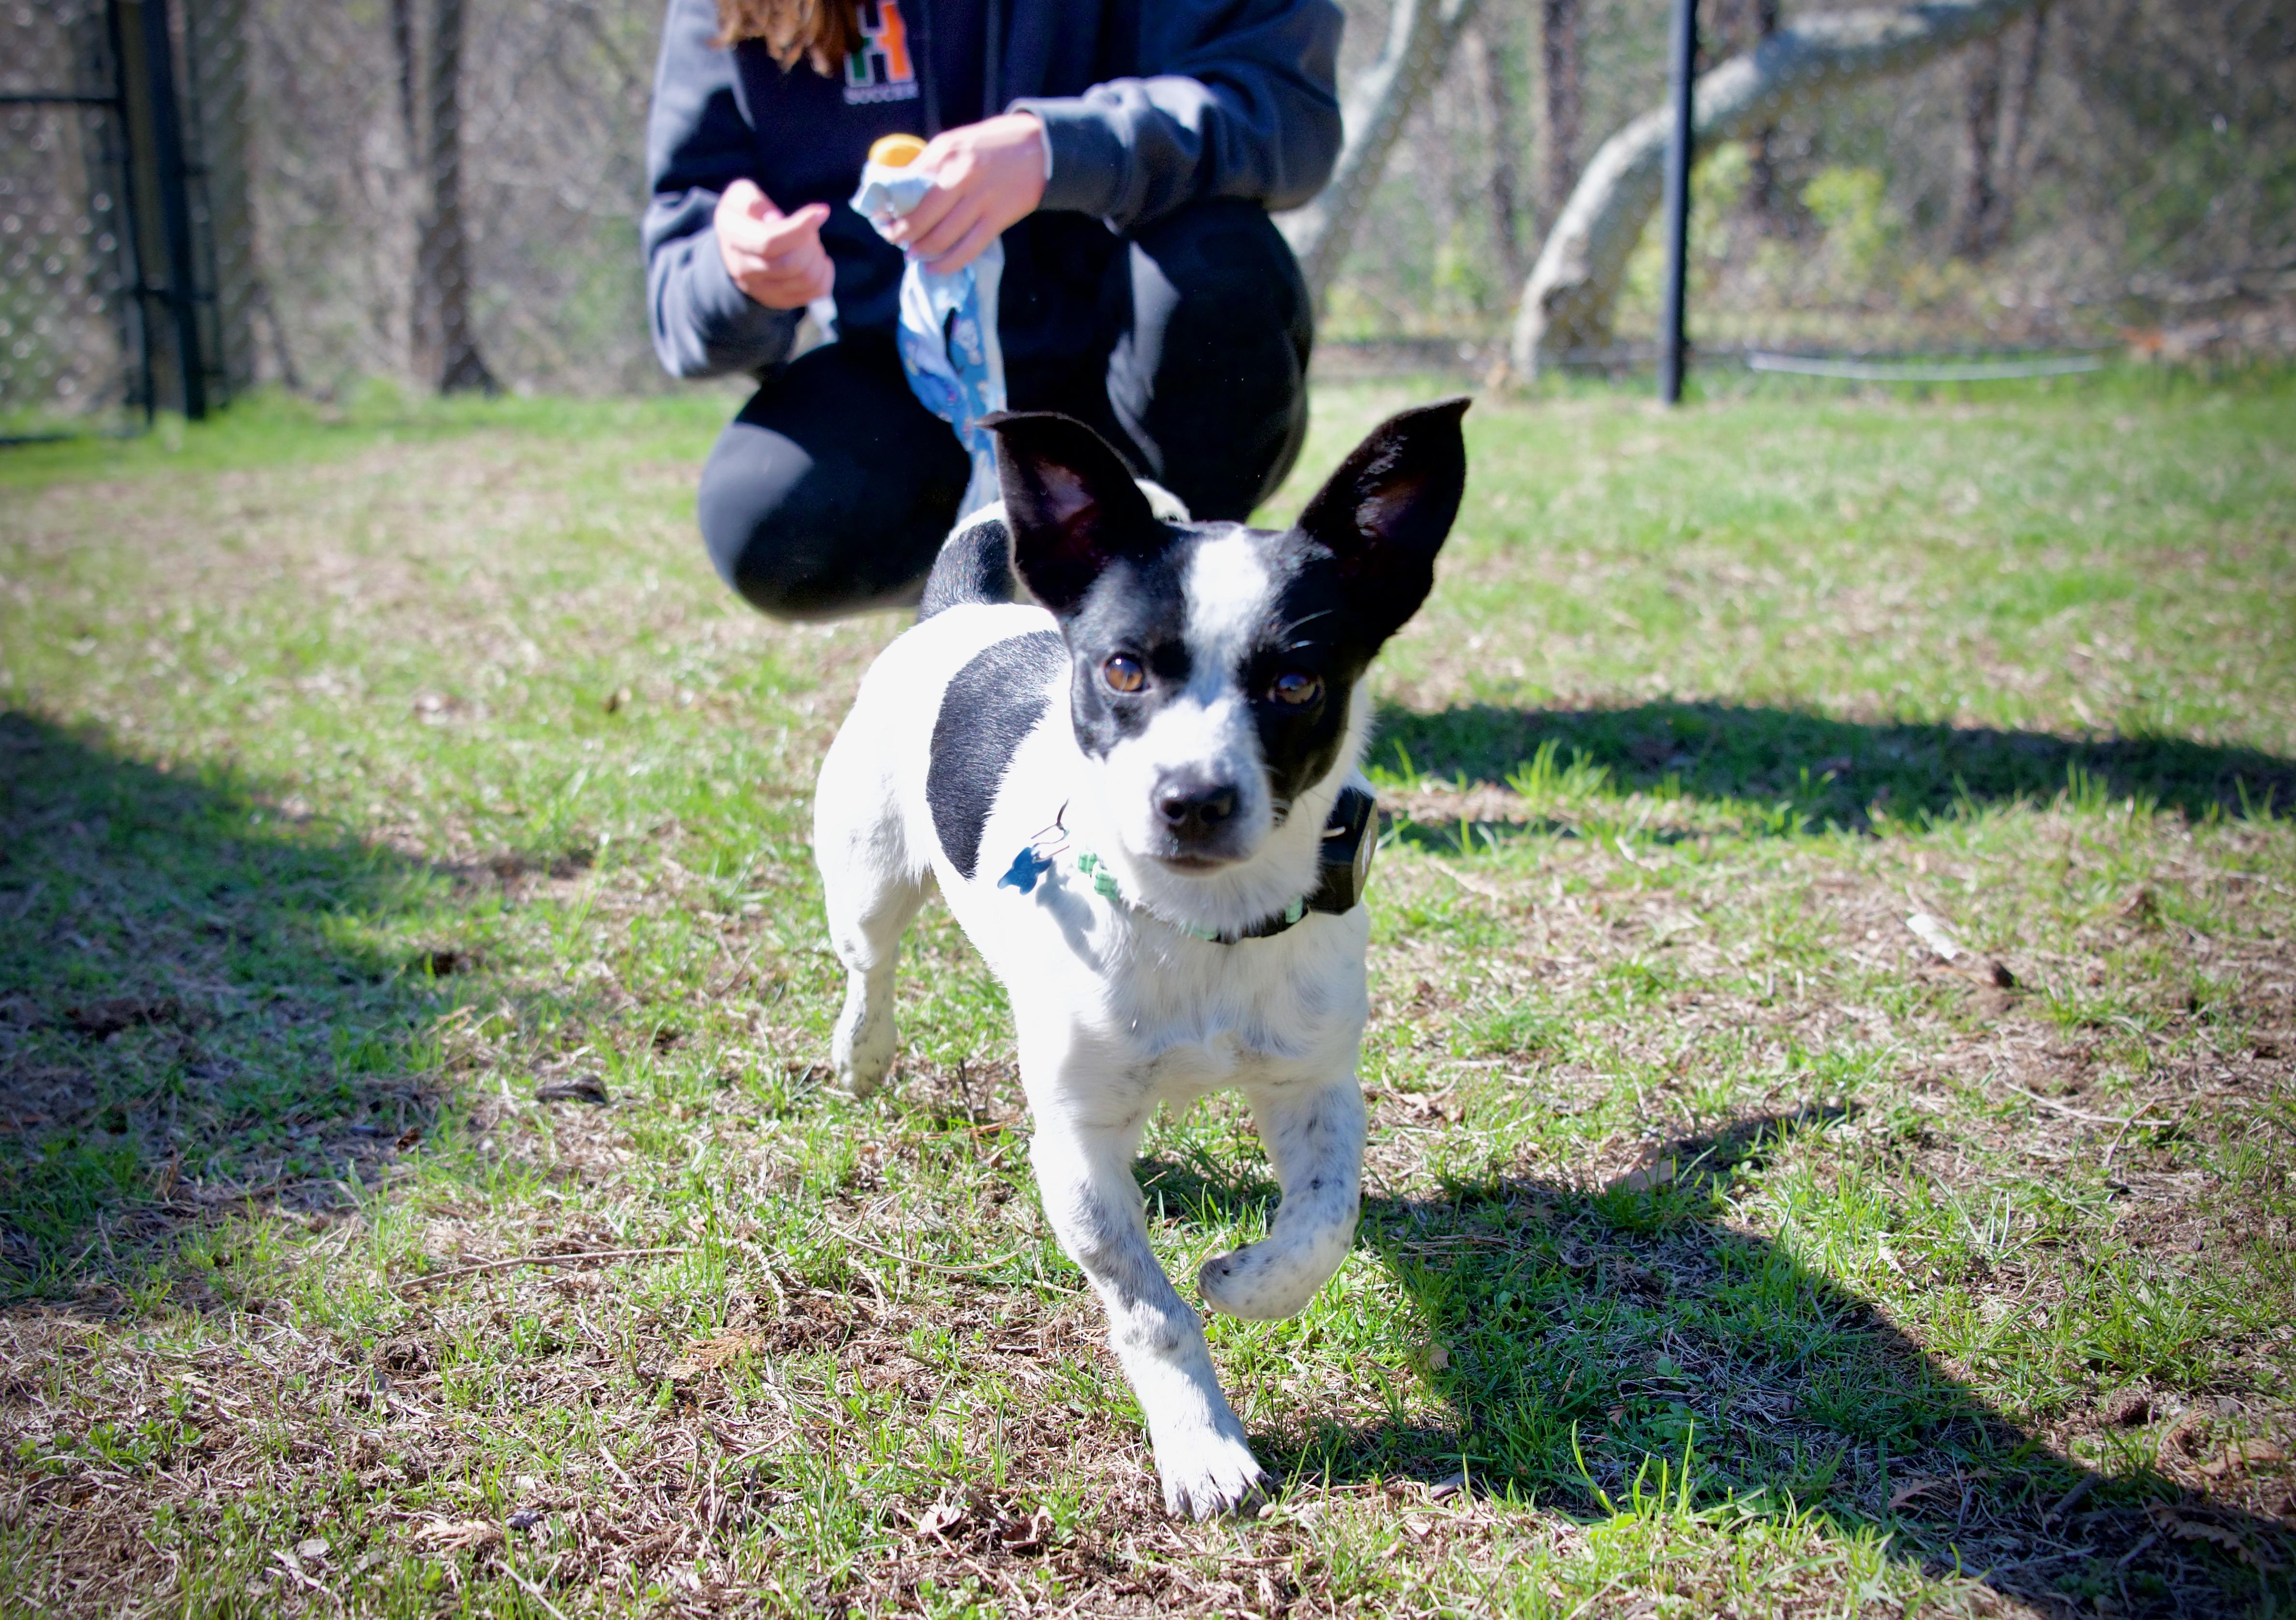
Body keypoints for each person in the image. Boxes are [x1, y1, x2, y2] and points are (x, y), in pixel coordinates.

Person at [644, 0, 1343, 619]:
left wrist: (1058, 151)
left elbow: (1283, 106)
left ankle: (1170, 611)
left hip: (1139, 352)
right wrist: (736, 272)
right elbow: (680, 283)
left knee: (1219, 268)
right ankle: (975, 596)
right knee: (764, 511)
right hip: (919, 388)